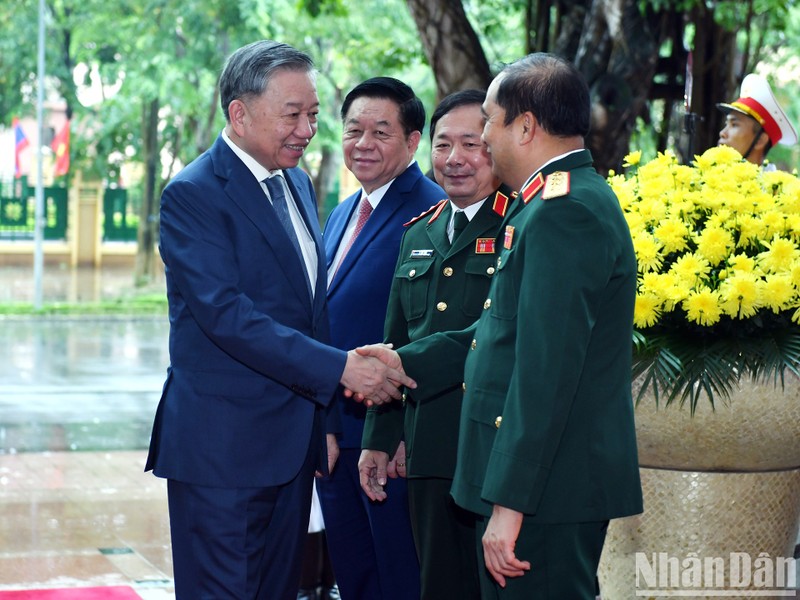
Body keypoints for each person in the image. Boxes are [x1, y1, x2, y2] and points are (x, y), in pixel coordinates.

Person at [356, 53, 644, 599]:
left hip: (547, 489)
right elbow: (503, 333)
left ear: (527, 126)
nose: (483, 137)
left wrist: (510, 506)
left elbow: (546, 374)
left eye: (489, 121)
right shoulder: (546, 203)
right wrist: (404, 361)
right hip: (539, 482)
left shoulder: (565, 210)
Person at [144, 40, 412, 600]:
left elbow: (309, 309)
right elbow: (228, 316)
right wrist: (341, 369)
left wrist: (326, 424)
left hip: (291, 451)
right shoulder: (193, 195)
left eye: (313, 114)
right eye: (293, 114)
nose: (307, 129)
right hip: (223, 454)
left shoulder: (295, 183)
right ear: (239, 114)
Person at [359, 89, 514, 600]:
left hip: (496, 453)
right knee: (439, 586)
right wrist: (380, 438)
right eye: (443, 145)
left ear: (497, 144)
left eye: (471, 143)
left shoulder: (522, 224)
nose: (455, 159)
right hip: (429, 453)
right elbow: (396, 337)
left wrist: (400, 363)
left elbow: (501, 337)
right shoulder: (419, 233)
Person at [316, 76, 445, 600]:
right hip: (334, 434)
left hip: (387, 441)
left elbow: (433, 333)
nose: (363, 144)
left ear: (413, 141)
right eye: (354, 130)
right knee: (355, 574)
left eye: (381, 132)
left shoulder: (433, 211)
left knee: (399, 577)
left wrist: (402, 433)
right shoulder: (344, 210)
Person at [717, 73, 798, 167]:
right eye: (726, 124)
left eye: (734, 124)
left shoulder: (772, 182)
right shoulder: (705, 177)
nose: (722, 133)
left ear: (760, 140)